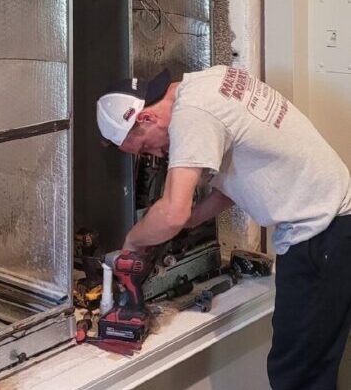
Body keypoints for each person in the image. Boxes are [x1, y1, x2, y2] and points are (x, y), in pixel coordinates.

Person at [96, 66, 351, 390]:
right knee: (312, 366)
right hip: (331, 226)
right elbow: (233, 180)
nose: (156, 154)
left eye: (145, 147)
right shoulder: (208, 83)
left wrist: (132, 242)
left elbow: (172, 213)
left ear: (145, 118)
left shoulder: (192, 115)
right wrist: (193, 217)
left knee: (297, 376)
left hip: (320, 235)